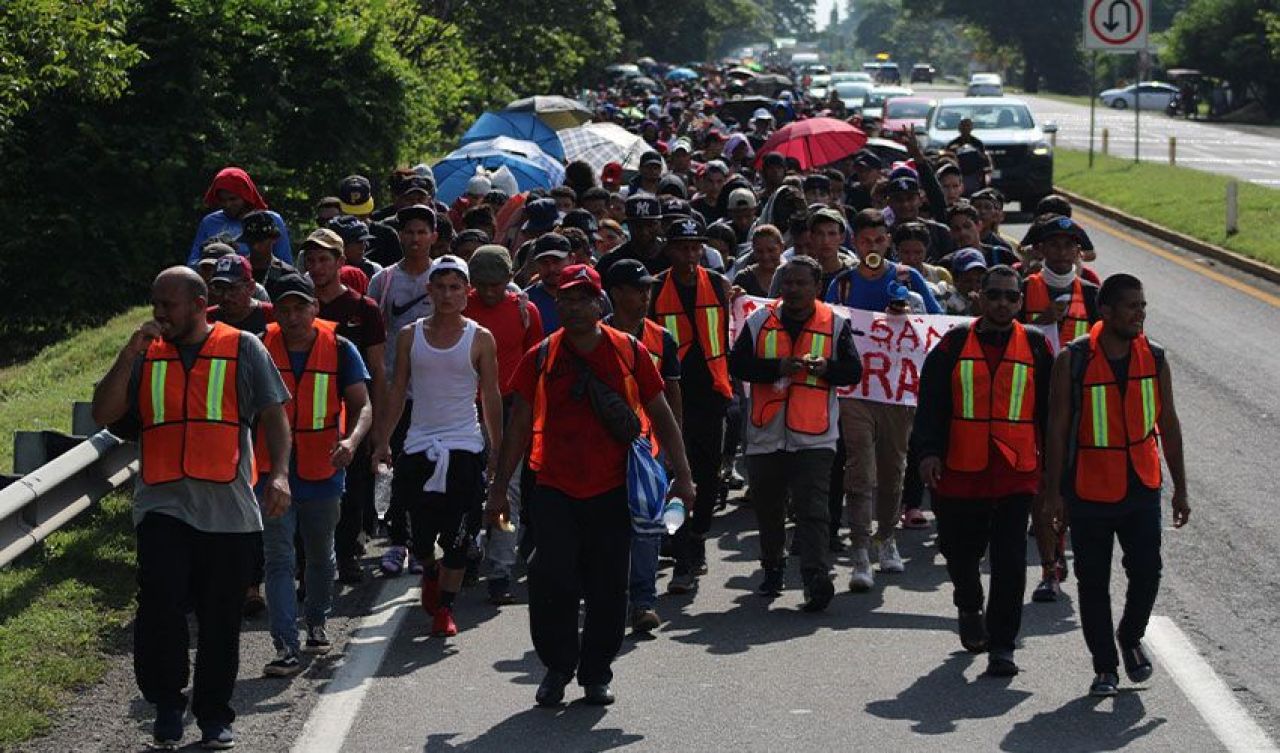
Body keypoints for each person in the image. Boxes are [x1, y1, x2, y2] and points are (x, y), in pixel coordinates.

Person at [91, 267, 291, 750]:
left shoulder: (243, 348)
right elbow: (103, 413)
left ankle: (214, 715)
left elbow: (273, 414)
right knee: (160, 606)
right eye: (156, 303)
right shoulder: (144, 355)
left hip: (228, 511)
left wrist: (280, 472)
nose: (159, 314)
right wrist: (127, 354)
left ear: (200, 305)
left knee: (220, 617)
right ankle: (165, 703)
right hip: (162, 504)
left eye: (169, 305)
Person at [486, 263, 694, 707]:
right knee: (550, 577)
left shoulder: (629, 351)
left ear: (600, 304)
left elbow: (661, 414)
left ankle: (596, 673)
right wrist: (499, 487)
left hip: (613, 488)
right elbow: (519, 423)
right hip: (555, 486)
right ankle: (558, 668)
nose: (573, 307)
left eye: (582, 298)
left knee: (606, 586)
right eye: (565, 298)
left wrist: (683, 478)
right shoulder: (541, 356)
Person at [1042, 273, 1189, 697]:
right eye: (1131, 307)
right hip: (1089, 487)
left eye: (1143, 306)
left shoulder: (1156, 357)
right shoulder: (1074, 360)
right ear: (1105, 312)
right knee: (1093, 582)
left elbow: (1170, 425)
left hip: (1142, 482)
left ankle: (1130, 635)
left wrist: (1180, 487)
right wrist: (1052, 494)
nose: (1140, 314)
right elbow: (1057, 429)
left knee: (1147, 571)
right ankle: (1105, 668)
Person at [913, 265, 1054, 676]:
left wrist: (1054, 470)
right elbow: (931, 404)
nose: (1003, 303)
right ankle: (969, 602)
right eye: (995, 295)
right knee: (961, 554)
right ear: (980, 297)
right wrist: (927, 453)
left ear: (1021, 302)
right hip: (960, 470)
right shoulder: (954, 343)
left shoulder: (1036, 346)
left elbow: (1049, 410)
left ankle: (1003, 645)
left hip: (1015, 472)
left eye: (1012, 297)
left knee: (1010, 561)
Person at [371, 256, 504, 638]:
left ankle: (445, 609)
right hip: (419, 443)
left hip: (464, 443)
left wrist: (495, 448)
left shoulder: (480, 338)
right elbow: (398, 391)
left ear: (466, 293)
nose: (447, 294)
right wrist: (382, 441)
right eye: (440, 287)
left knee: (460, 534)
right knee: (418, 533)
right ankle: (430, 571)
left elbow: (490, 396)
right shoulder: (411, 335)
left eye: (455, 287)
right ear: (429, 291)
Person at [729, 257, 862, 610]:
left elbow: (853, 371)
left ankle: (815, 577)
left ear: (816, 288)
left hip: (814, 436)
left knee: (812, 508)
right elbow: (737, 364)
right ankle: (773, 567)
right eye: (788, 283)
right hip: (765, 434)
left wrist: (826, 369)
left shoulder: (835, 324)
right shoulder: (759, 321)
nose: (794, 290)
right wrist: (776, 368)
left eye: (802, 284)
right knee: (769, 509)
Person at [256, 273, 371, 675]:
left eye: (299, 308)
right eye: (283, 310)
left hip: (324, 469)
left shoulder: (341, 349)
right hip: (271, 470)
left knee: (320, 555)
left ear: (314, 308)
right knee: (279, 558)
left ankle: (317, 619)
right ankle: (285, 645)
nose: (291, 317)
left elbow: (362, 405)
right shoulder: (258, 348)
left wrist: (352, 442)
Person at [826, 209, 938, 589]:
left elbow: (937, 327)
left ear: (887, 241)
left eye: (878, 241)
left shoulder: (908, 278)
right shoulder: (841, 285)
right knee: (861, 469)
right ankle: (859, 552)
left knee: (893, 470)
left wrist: (909, 312)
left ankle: (885, 538)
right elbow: (827, 326)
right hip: (855, 391)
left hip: (896, 392)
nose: (872, 247)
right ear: (853, 243)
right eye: (864, 241)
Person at [651, 217, 733, 593]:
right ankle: (682, 554)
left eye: (695, 247)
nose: (689, 254)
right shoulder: (654, 290)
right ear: (669, 250)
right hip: (669, 397)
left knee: (708, 474)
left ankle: (697, 535)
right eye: (682, 247)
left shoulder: (717, 284)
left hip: (712, 394)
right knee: (676, 477)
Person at [304, 228, 388, 584]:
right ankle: (307, 560)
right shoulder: (298, 305)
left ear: (340, 262)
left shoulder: (363, 309)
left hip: (353, 411)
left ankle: (349, 550)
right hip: (307, 412)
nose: (317, 267)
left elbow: (378, 372)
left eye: (324, 260)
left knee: (353, 489)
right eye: (310, 261)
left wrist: (380, 430)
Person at [603, 259, 682, 633]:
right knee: (606, 528)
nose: (645, 296)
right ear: (616, 293)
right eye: (638, 289)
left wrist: (671, 451)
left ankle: (644, 602)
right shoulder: (593, 336)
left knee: (647, 528)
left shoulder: (661, 338)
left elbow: (672, 398)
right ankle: (607, 599)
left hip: (647, 448)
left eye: (648, 289)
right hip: (602, 448)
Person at [464, 245, 544, 605]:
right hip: (467, 407)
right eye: (481, 284)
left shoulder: (526, 312)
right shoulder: (459, 305)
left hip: (512, 409)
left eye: (496, 284)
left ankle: (500, 569)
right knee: (467, 487)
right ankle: (464, 552)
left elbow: (537, 362)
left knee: (506, 486)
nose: (489, 291)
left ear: (510, 280)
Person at [367, 204, 439, 576]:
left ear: (434, 236)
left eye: (421, 232)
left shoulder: (444, 275)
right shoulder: (384, 282)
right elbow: (374, 332)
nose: (414, 238)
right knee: (396, 468)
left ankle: (424, 542)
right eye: (408, 231)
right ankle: (398, 542)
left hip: (437, 393)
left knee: (430, 470)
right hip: (395, 390)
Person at [188, 167, 292, 265]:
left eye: (233, 199)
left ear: (246, 197)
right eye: (222, 200)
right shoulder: (209, 222)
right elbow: (193, 263)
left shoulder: (270, 220)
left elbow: (285, 263)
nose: (227, 205)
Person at [596, 193, 666, 279]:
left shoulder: (673, 254)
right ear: (628, 225)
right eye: (638, 225)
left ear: (659, 223)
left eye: (650, 225)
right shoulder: (610, 261)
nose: (644, 231)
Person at [207, 255, 274, 336]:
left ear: (251, 287)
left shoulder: (272, 316)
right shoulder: (206, 319)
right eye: (219, 288)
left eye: (232, 288)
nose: (225, 296)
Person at [239, 210, 298, 296]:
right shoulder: (238, 270)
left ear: (274, 239)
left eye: (260, 241)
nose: (255, 246)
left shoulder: (287, 274)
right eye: (251, 241)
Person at [524, 233, 572, 336]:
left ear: (572, 259)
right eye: (544, 262)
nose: (551, 268)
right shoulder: (525, 302)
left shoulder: (591, 296)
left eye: (557, 261)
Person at [733, 225, 784, 298]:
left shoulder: (792, 275)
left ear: (782, 247)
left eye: (771, 250)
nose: (765, 256)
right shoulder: (744, 279)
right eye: (759, 251)